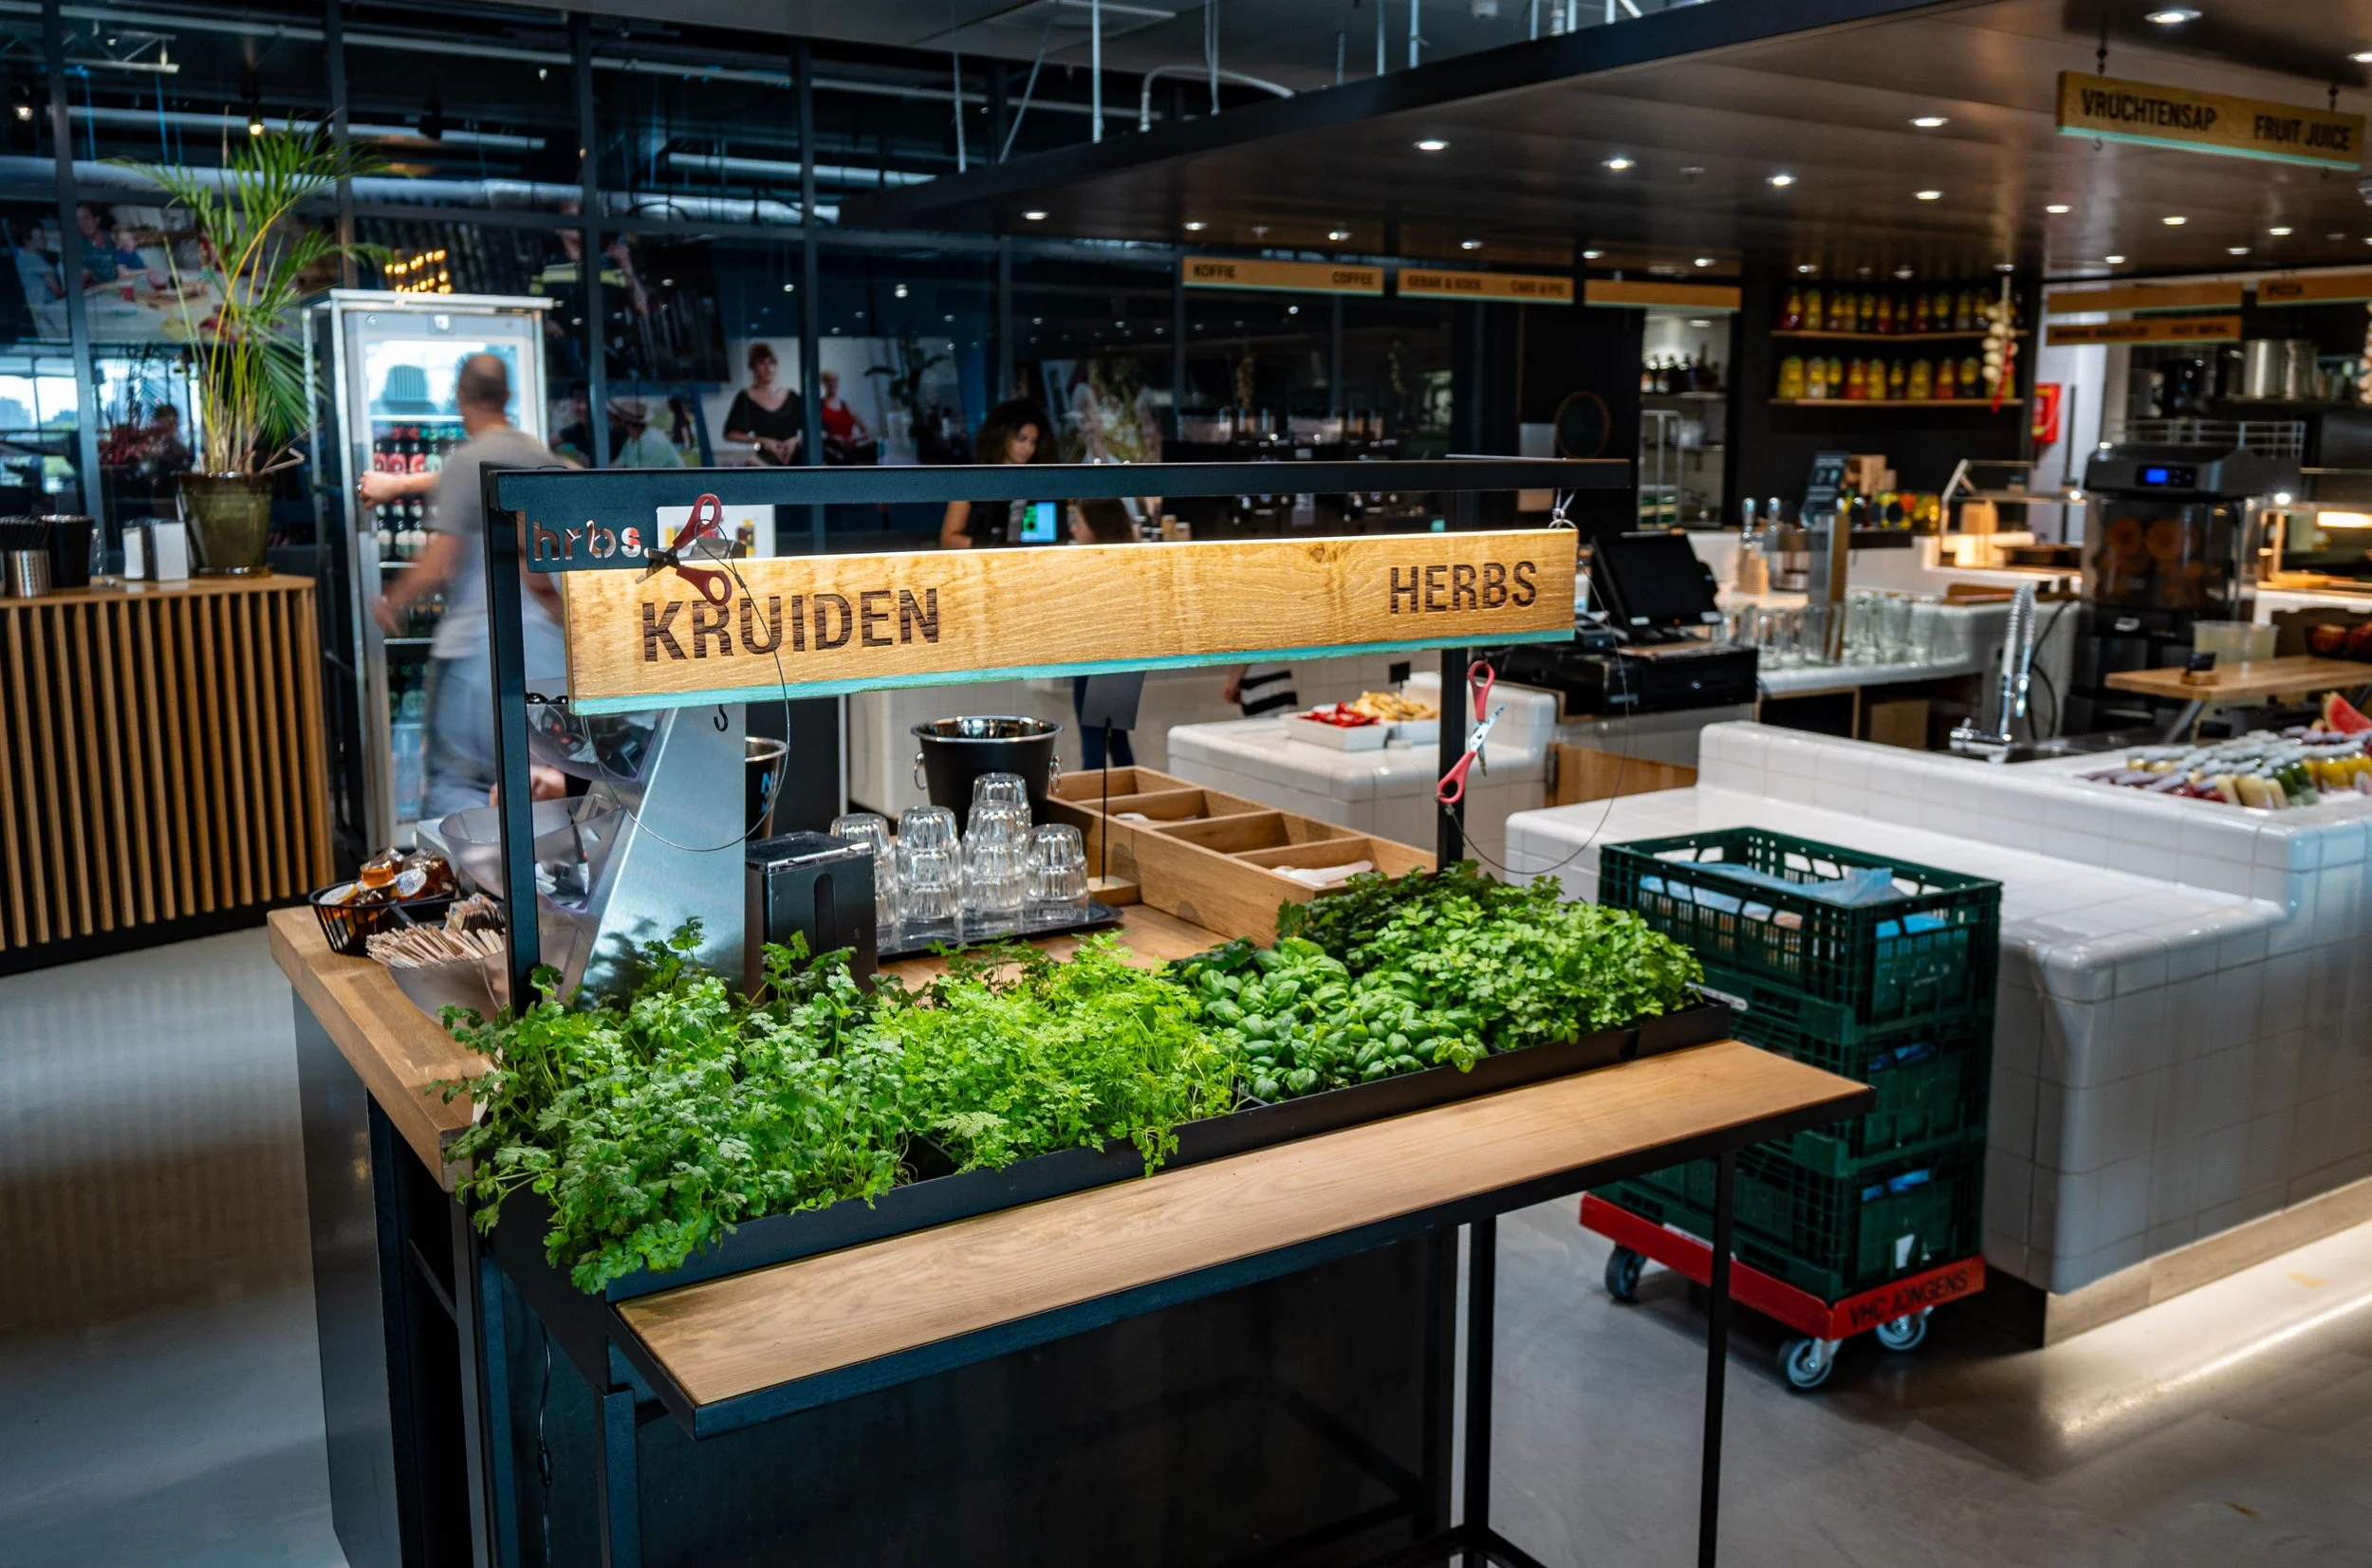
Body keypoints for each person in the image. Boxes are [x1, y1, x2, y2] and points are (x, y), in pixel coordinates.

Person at [363, 354, 566, 821]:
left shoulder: (465, 463)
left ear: (460, 401)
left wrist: (390, 601)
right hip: (544, 661)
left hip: (478, 662)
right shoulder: (542, 457)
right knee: (538, 788)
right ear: (508, 398)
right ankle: (537, 890)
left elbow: (438, 565)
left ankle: (465, 888)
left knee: (459, 788)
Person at [938, 397, 1055, 548]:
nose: (1028, 448)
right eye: (1022, 439)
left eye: (1033, 442)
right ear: (1004, 436)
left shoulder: (1036, 482)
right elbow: (948, 540)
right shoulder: (971, 480)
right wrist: (992, 546)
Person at [723, 341, 805, 465]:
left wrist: (796, 440)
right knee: (752, 463)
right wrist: (763, 440)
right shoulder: (746, 397)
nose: (768, 368)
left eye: (771, 362)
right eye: (762, 363)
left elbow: (816, 429)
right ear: (753, 367)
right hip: (767, 458)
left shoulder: (791, 396)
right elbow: (730, 433)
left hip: (796, 456)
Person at [816, 368, 876, 464]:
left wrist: (856, 438)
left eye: (835, 380)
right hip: (832, 451)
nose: (833, 384)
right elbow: (816, 433)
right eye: (829, 381)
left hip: (850, 449)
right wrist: (834, 438)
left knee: (876, 447)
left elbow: (867, 431)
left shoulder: (847, 407)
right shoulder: (819, 406)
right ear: (823, 383)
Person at [608, 397, 681, 468]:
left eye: (612, 417)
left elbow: (641, 477)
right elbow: (619, 464)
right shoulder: (631, 440)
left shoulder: (653, 443)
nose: (609, 419)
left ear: (623, 421)